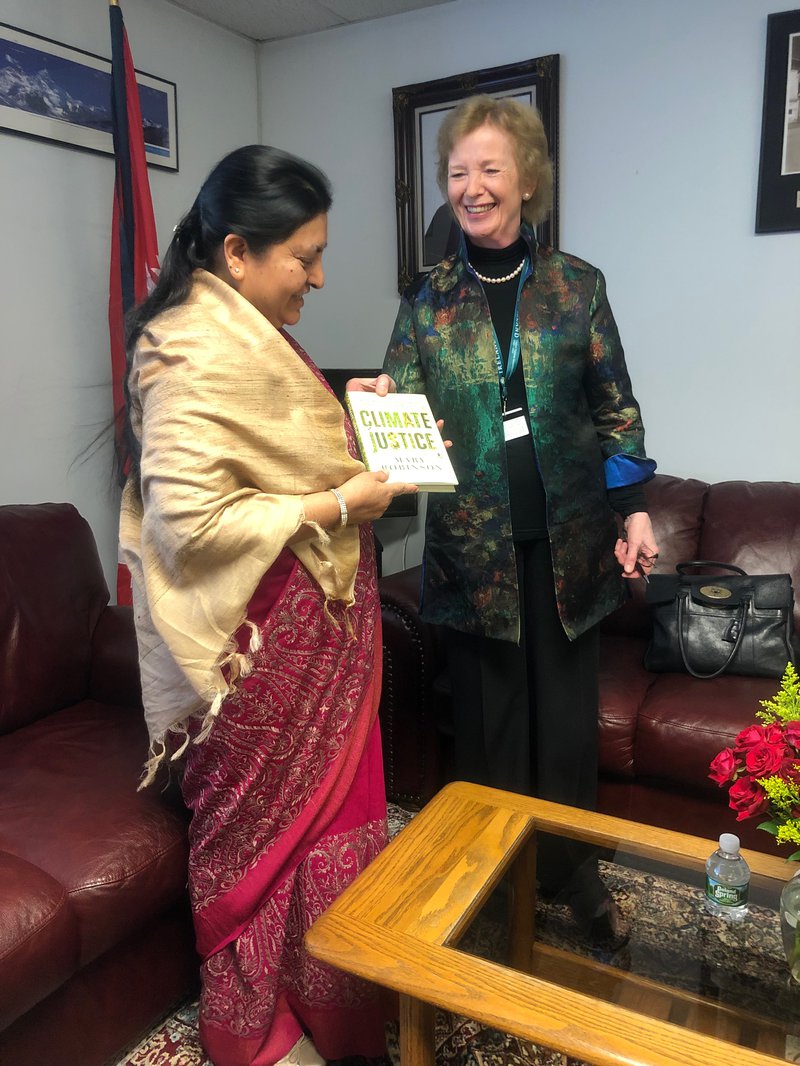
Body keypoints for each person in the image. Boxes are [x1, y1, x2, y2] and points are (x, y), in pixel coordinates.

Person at [119, 144, 416, 1066]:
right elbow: (190, 519)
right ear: (239, 251)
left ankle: (337, 1009)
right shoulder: (185, 351)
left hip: (319, 638)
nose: (320, 277)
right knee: (261, 851)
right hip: (260, 659)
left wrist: (348, 405)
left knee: (332, 838)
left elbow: (275, 435)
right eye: (306, 257)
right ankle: (261, 1032)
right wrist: (335, 503)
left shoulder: (243, 325)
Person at [379, 95, 659, 944]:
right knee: (490, 729)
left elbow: (616, 410)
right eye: (458, 172)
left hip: (571, 548)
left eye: (490, 169)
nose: (473, 187)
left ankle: (575, 875)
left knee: (564, 728)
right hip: (472, 554)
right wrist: (384, 408)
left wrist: (634, 511)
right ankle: (494, 884)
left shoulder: (578, 287)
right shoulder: (426, 302)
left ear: (527, 179)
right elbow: (403, 405)